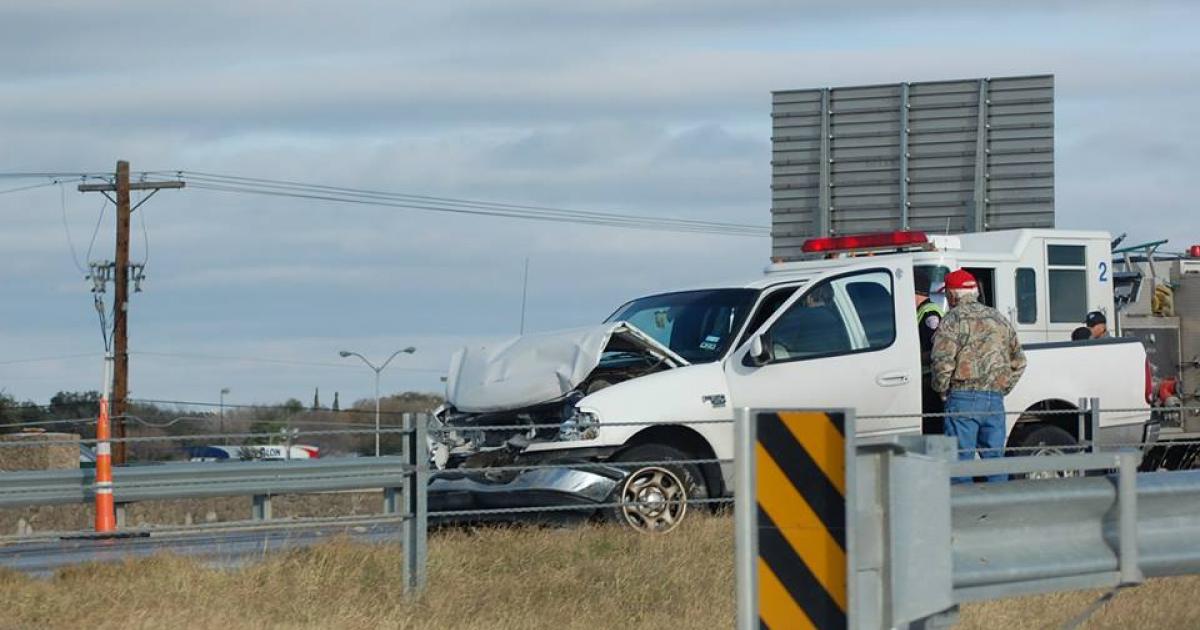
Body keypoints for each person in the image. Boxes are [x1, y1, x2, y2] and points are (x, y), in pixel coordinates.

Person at [931, 269, 1027, 483]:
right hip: (994, 400)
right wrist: (1002, 388)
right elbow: (1020, 361)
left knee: (959, 463)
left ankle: (964, 513)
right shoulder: (999, 318)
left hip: (962, 398)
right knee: (995, 461)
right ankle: (997, 511)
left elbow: (942, 360)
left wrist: (942, 390)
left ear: (953, 295)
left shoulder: (952, 319)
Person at [916, 283, 946, 434]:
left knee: (932, 427)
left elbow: (934, 349)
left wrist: (913, 360)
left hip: (929, 377)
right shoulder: (922, 310)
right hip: (926, 376)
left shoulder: (930, 313)